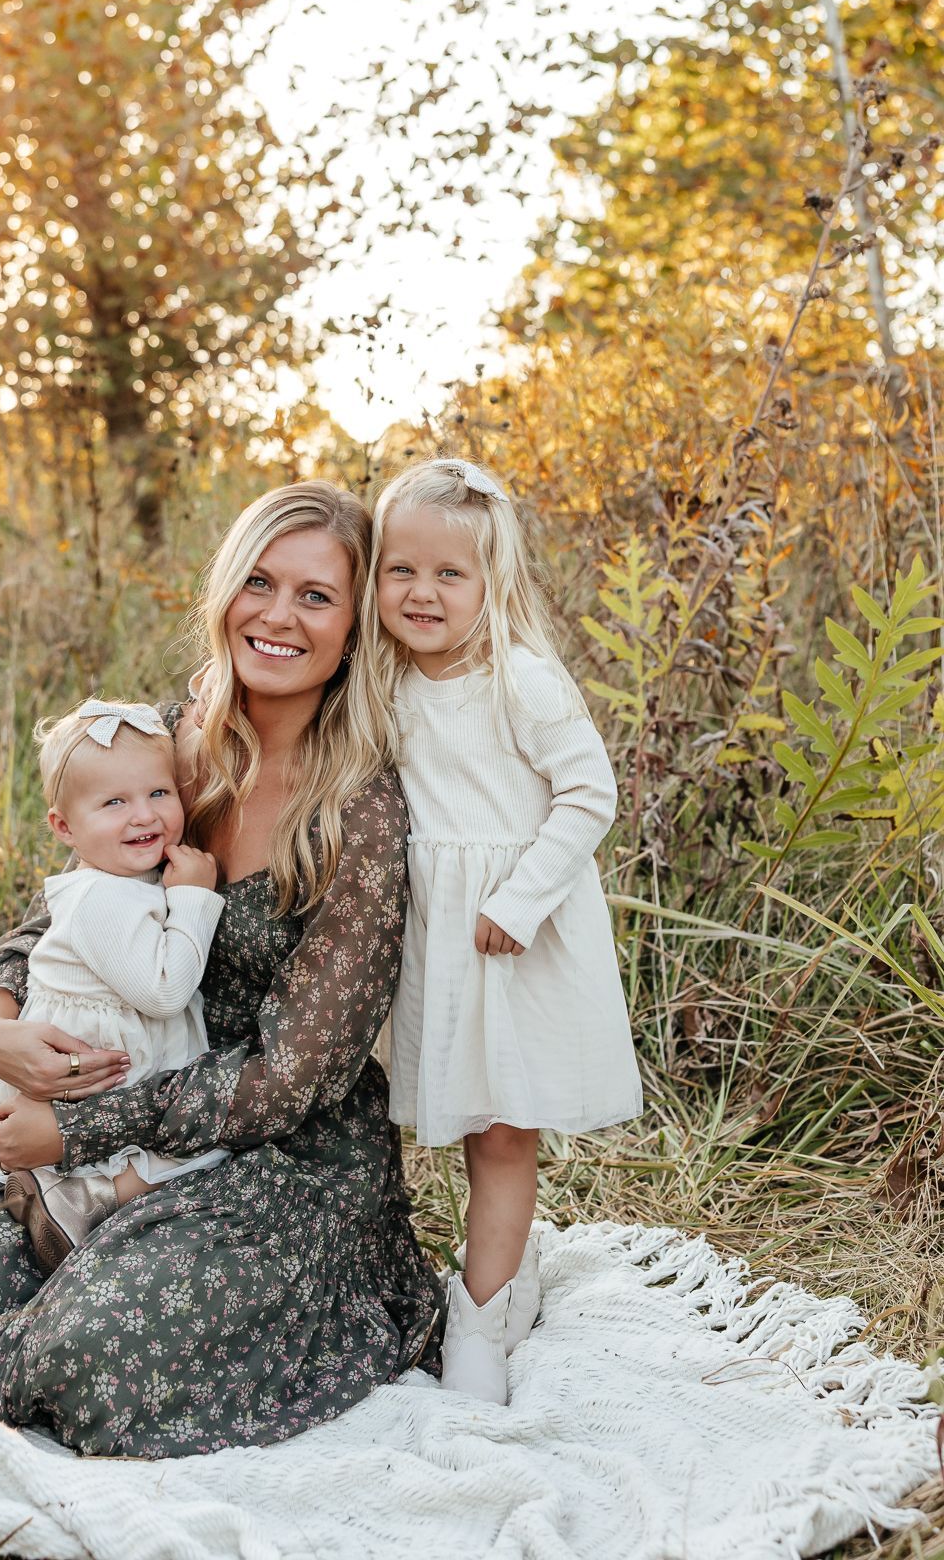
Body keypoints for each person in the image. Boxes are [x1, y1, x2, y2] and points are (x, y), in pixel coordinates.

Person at [0, 480, 443, 1458]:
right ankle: (66, 1243)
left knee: (98, 1355)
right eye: (258, 582)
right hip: (119, 1119)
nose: (277, 616)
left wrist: (71, 1126)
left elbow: (288, 1082)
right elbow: (54, 910)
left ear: (356, 623)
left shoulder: (359, 809)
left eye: (315, 597)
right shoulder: (161, 738)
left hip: (281, 1159)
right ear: (223, 591)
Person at [364, 457, 642, 1404]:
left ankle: (479, 1322)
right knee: (438, 1121)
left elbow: (589, 793)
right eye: (401, 570)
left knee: (502, 1132)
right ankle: (501, 1270)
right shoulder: (383, 681)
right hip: (433, 937)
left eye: (450, 574)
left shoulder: (519, 680)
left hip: (511, 934)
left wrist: (519, 900)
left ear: (493, 583)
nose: (422, 593)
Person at [0, 696, 226, 1273]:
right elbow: (163, 992)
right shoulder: (99, 894)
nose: (144, 816)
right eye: (114, 803)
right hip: (90, 1067)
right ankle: (78, 1198)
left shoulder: (120, 873)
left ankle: (79, 1195)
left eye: (158, 793)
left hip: (122, 1057)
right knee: (192, 1160)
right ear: (63, 827)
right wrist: (195, 898)